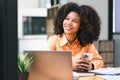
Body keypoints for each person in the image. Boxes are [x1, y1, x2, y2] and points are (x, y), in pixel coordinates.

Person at [47, 2, 104, 72]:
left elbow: (99, 61)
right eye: (67, 18)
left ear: (82, 26)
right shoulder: (54, 40)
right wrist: (69, 64)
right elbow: (46, 62)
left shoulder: (87, 44)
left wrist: (91, 65)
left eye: (74, 21)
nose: (69, 23)